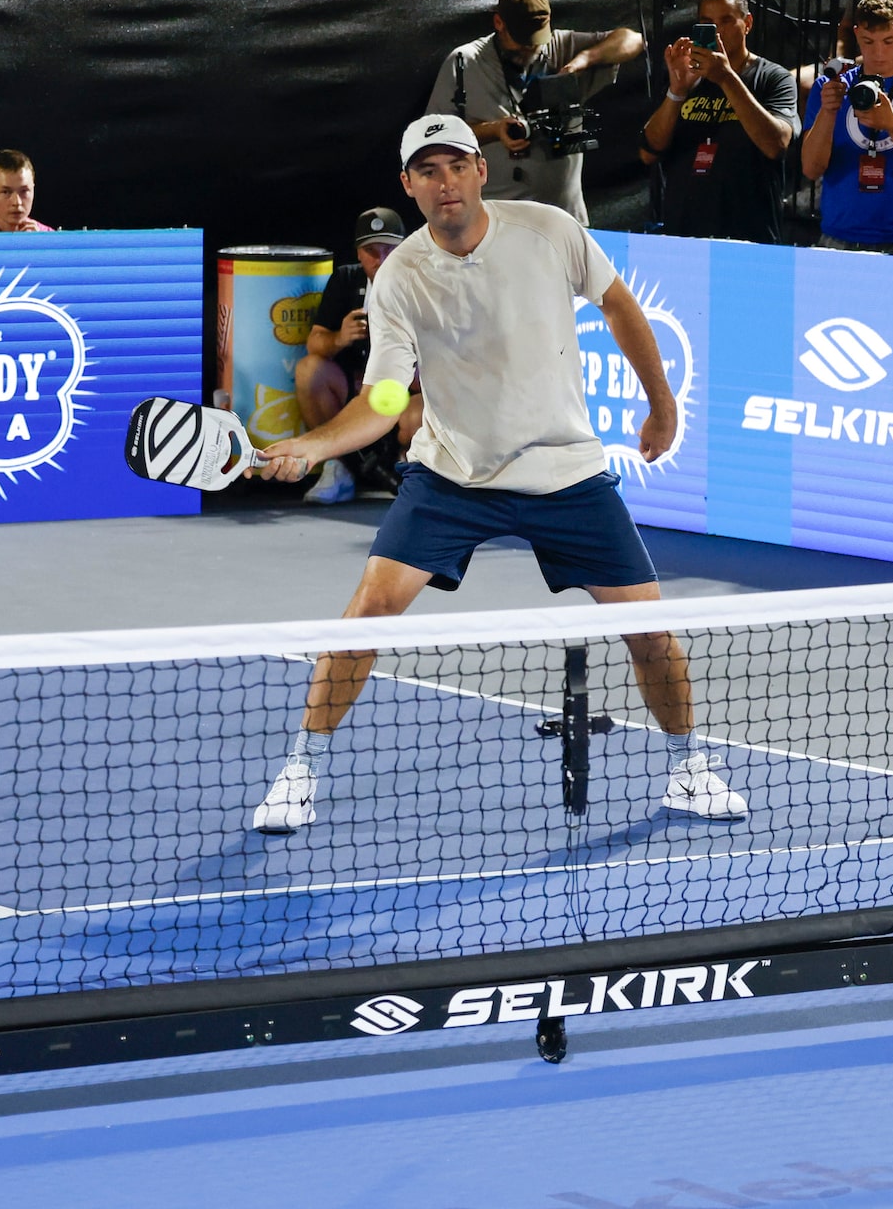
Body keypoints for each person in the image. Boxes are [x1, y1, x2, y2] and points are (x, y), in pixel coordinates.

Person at [248, 117, 738, 836]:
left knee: (650, 629)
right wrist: (317, 446)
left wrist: (661, 406)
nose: (444, 182)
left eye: (456, 166)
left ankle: (689, 768)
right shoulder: (401, 280)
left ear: (481, 170)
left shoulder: (548, 231)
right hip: (454, 476)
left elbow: (619, 305)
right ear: (409, 185)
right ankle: (301, 770)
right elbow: (386, 396)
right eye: (428, 171)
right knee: (367, 612)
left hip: (565, 470)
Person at [429, 0, 644, 222]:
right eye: (521, 40)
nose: (530, 47)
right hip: (498, 221)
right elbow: (434, 137)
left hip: (564, 220)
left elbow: (634, 40)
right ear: (499, 23)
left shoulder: (560, 46)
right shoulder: (464, 62)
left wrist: (586, 59)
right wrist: (495, 130)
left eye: (536, 39)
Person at [646, 0, 800, 244]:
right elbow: (648, 151)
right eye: (707, 22)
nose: (717, 31)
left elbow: (777, 144)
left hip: (748, 236)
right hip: (684, 233)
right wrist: (676, 92)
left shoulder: (774, 77)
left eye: (726, 21)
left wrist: (727, 78)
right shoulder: (685, 76)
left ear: (747, 23)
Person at [293, 207, 421, 505]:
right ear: (358, 254)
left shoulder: (424, 284)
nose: (381, 259)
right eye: (371, 251)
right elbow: (315, 343)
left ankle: (412, 470)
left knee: (429, 406)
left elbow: (440, 371)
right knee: (309, 371)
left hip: (404, 390)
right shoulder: (346, 279)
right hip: (353, 387)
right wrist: (340, 337)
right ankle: (337, 466)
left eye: (390, 249)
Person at [801, 0, 893, 252]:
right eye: (868, 41)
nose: (878, 53)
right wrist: (828, 112)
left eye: (888, 41)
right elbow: (811, 168)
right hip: (839, 234)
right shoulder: (829, 87)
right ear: (856, 35)